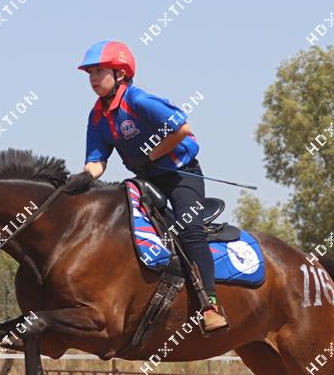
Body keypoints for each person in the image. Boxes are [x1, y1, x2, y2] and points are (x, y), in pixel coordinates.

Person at [77, 40, 227, 332]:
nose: (93, 78)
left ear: (120, 74)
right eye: (90, 73)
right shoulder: (97, 116)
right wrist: (82, 178)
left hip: (180, 174)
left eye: (99, 71)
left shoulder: (139, 101)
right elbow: (97, 161)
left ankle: (210, 305)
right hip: (146, 179)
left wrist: (152, 154)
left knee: (189, 229)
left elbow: (182, 128)